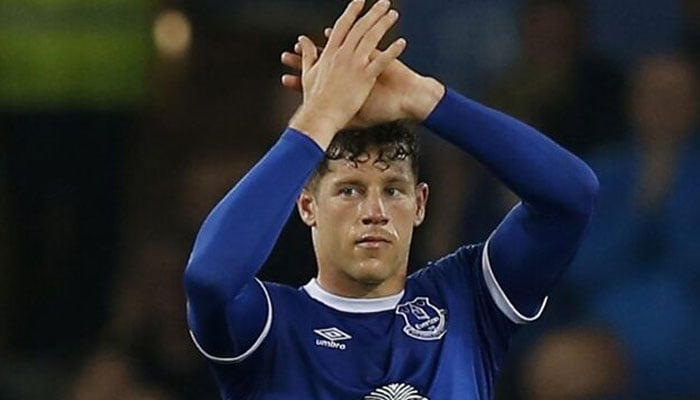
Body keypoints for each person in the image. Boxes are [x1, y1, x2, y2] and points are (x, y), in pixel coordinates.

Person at [183, 0, 599, 398]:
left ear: (420, 204)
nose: (375, 213)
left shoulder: (468, 301)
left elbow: (571, 197)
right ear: (307, 205)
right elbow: (209, 279)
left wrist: (425, 99)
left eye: (393, 190)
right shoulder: (269, 325)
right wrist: (318, 118)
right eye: (350, 190)